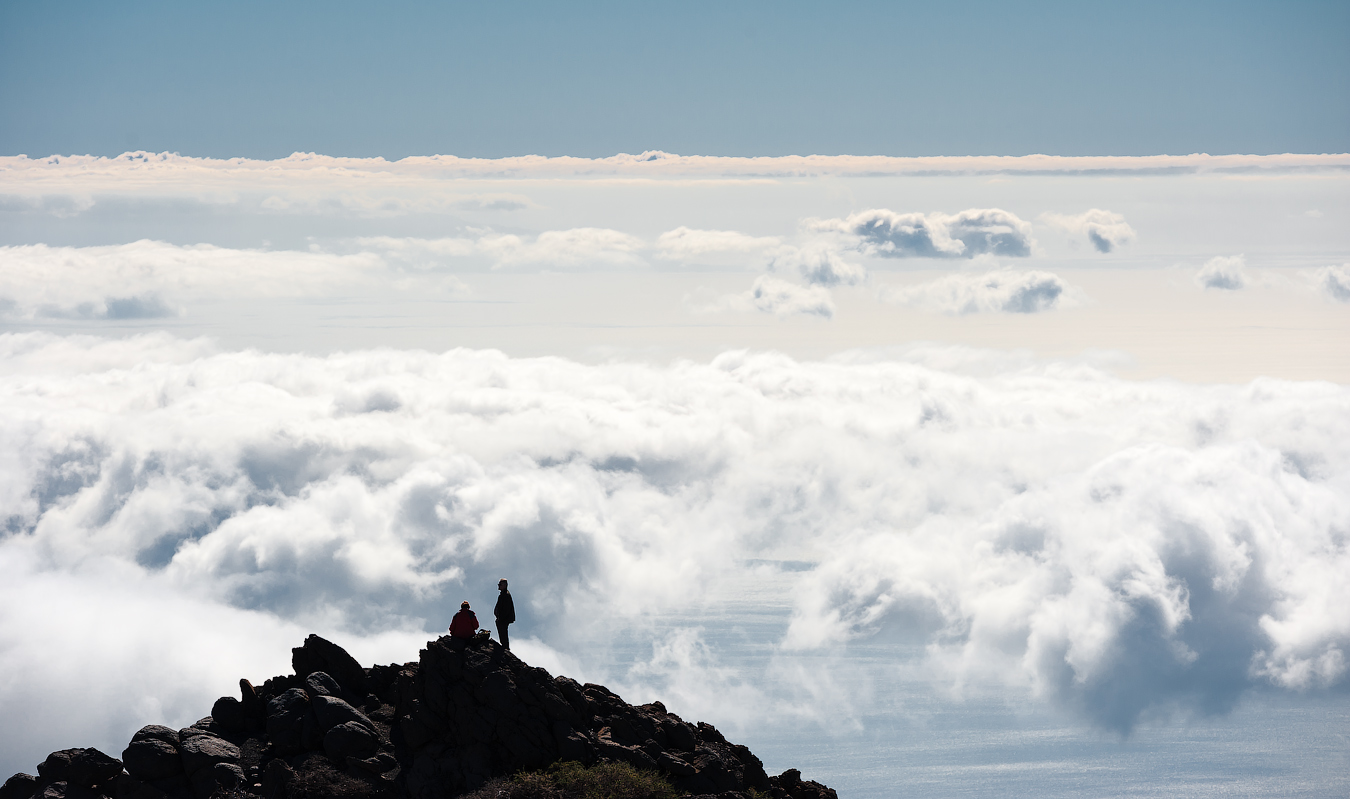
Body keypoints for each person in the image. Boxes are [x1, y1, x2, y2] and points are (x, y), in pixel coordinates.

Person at [494, 578, 515, 650]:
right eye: (498, 584)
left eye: (500, 584)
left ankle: (505, 646)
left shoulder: (506, 595)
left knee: (503, 631)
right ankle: (504, 645)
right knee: (502, 631)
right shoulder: (503, 594)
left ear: (505, 585)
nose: (499, 586)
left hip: (504, 618)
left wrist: (500, 617)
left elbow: (506, 608)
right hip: (503, 618)